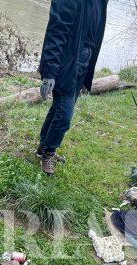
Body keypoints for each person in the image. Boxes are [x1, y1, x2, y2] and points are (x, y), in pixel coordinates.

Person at [36, 0, 108, 176]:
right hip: (66, 63)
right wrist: (50, 72)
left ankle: (42, 148)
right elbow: (56, 32)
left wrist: (88, 72)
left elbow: (94, 37)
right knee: (64, 116)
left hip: (83, 63)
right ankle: (48, 153)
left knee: (58, 109)